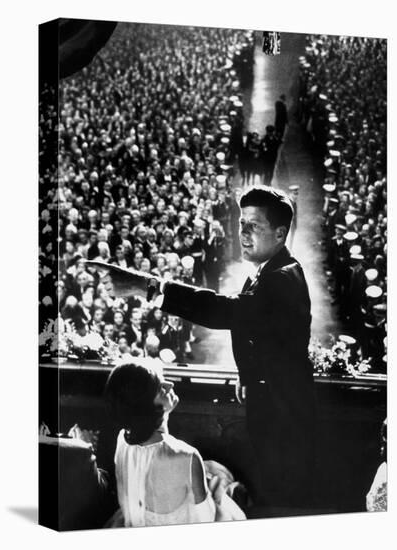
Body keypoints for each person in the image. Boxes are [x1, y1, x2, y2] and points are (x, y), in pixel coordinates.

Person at [86, 185, 315, 515]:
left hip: (284, 414)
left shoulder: (281, 279)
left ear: (280, 234)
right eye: (241, 223)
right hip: (272, 401)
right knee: (271, 481)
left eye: (255, 226)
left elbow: (224, 311)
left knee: (281, 494)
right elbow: (256, 327)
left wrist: (144, 286)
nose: (243, 233)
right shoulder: (268, 271)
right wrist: (249, 375)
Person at [104, 361, 246, 527]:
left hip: (137, 525)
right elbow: (206, 519)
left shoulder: (123, 440)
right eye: (160, 387)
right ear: (146, 407)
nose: (170, 384)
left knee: (212, 471)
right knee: (223, 481)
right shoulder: (187, 455)